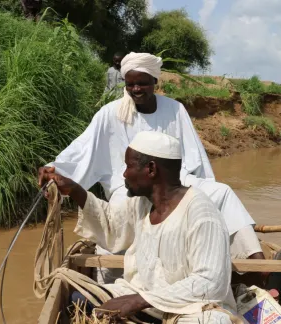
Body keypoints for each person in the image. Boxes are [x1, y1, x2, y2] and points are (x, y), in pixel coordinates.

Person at [38, 52, 281, 285]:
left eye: (142, 83)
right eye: (130, 84)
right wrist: (54, 169)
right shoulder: (110, 114)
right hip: (128, 190)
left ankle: (260, 270)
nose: (135, 89)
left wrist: (201, 198)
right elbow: (83, 148)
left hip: (175, 184)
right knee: (120, 211)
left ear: (154, 81)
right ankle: (115, 280)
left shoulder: (175, 109)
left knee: (222, 193)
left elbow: (194, 157)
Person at [40, 132, 237, 323]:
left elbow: (210, 283)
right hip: (142, 295)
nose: (124, 173)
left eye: (128, 166)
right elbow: (111, 224)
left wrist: (140, 301)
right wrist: (74, 190)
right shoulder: (142, 204)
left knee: (213, 321)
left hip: (188, 309)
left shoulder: (202, 214)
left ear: (151, 169)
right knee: (77, 300)